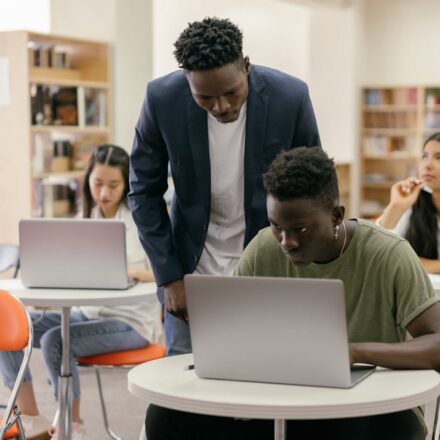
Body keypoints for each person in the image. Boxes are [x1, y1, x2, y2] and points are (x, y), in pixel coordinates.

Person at [145, 147, 440, 440]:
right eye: (277, 227)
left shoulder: (388, 254)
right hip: (278, 403)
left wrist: (354, 353)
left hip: (369, 406)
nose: (287, 242)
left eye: (301, 229)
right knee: (165, 416)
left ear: (336, 215)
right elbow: (237, 337)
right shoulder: (263, 249)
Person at [129, 17, 321, 356]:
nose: (222, 107)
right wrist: (169, 277)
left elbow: (314, 186)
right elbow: (143, 191)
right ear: (186, 80)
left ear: (246, 66)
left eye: (232, 93)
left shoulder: (289, 96)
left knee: (266, 378)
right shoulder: (162, 99)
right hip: (190, 276)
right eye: (205, 97)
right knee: (185, 392)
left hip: (269, 268)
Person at [0, 144, 162, 440]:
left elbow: (164, 272)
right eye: (97, 183)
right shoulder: (85, 218)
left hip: (131, 322)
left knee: (54, 341)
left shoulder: (143, 219)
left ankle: (72, 426)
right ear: (87, 181)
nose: (103, 192)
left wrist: (133, 273)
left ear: (126, 183)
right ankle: (31, 417)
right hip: (86, 312)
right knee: (11, 326)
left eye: (113, 185)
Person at [377, 132, 440, 274]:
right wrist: (396, 206)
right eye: (424, 156)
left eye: (439, 157)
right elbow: (379, 251)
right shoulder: (414, 203)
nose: (427, 165)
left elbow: (401, 261)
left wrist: (413, 262)